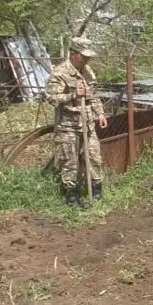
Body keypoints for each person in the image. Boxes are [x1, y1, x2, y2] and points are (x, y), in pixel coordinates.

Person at [44, 37, 108, 208]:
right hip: (68, 126)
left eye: (88, 56)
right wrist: (73, 95)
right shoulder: (60, 73)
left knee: (94, 157)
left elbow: (93, 95)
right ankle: (72, 197)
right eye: (83, 56)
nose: (87, 59)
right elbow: (51, 98)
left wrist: (100, 114)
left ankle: (96, 193)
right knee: (69, 161)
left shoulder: (88, 72)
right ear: (73, 53)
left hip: (88, 124)